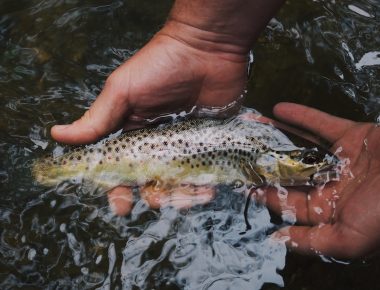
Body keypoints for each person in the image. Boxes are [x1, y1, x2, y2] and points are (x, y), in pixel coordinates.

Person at [50, 0, 380, 259]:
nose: (318, 164)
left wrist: (200, 37)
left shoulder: (260, 153)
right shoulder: (260, 155)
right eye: (307, 159)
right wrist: (199, 39)